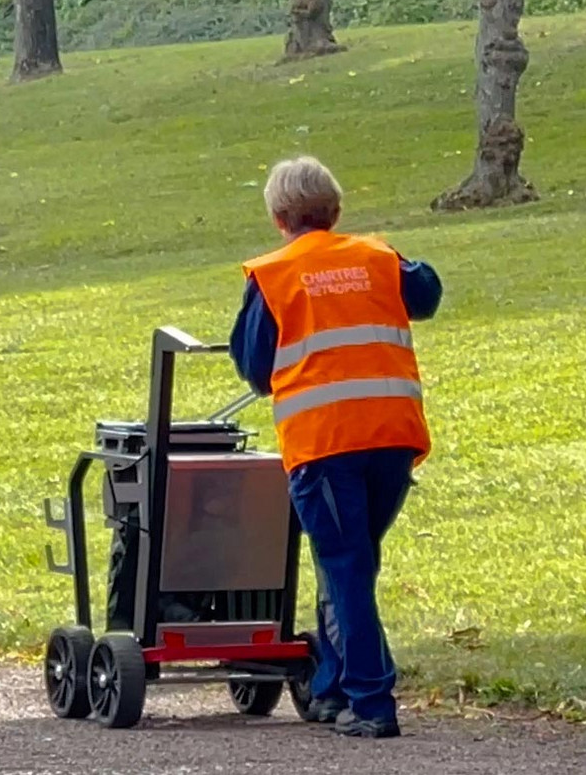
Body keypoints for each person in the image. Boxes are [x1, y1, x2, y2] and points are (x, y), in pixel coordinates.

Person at [229, 156, 441, 739]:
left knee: (344, 564)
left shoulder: (273, 276)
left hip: (325, 441)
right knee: (352, 562)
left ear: (278, 218)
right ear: (337, 209)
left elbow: (253, 364)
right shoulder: (378, 257)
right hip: (393, 435)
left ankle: (370, 701)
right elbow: (427, 293)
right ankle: (331, 687)